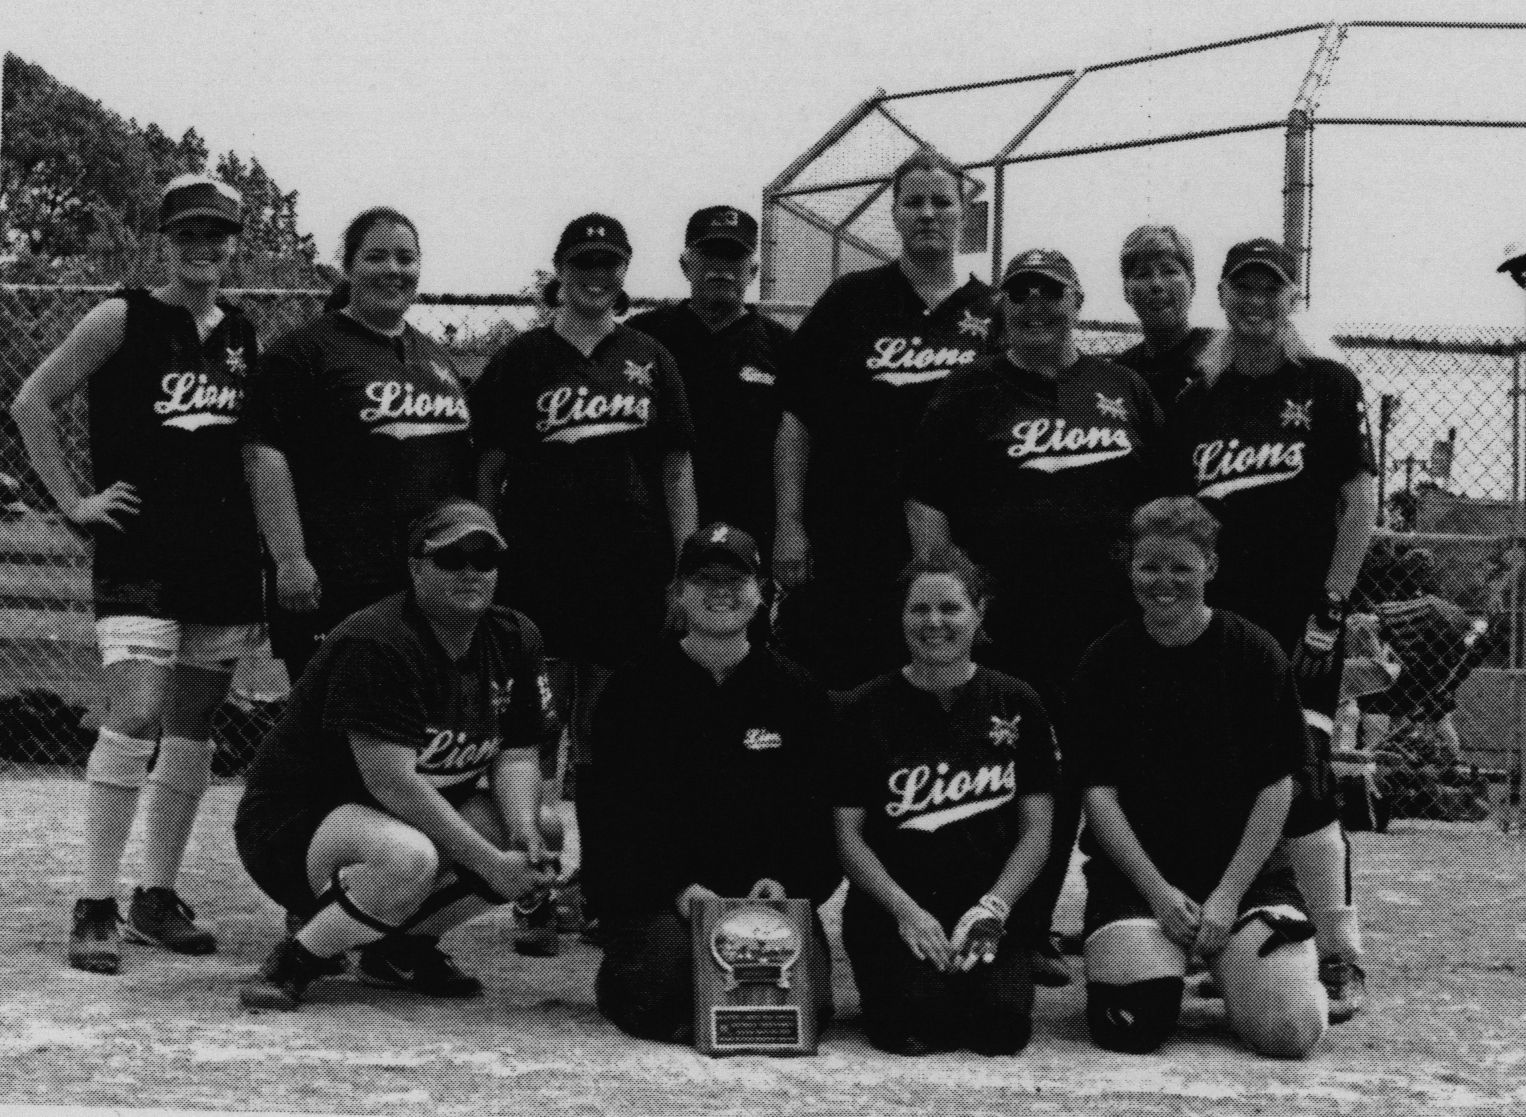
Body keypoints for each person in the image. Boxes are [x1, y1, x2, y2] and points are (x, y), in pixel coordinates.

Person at [11, 174, 263, 974]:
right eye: (189, 232)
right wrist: (72, 500)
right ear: (165, 239)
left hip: (221, 555)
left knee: (193, 725)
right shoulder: (122, 315)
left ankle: (156, 894)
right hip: (140, 552)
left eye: (217, 233)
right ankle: (95, 900)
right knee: (137, 710)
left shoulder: (242, 334)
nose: (203, 246)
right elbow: (32, 402)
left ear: (233, 243)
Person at [906, 247, 1163, 986]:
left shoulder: (1124, 388)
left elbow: (1166, 504)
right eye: (1021, 295)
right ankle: (1002, 921)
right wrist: (949, 604)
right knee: (1007, 776)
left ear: (1079, 299)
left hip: (1104, 628)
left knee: (1087, 772)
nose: (1036, 307)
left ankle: (1055, 923)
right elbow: (927, 500)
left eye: (1051, 293)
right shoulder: (970, 391)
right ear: (1003, 308)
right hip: (1004, 626)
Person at [1164, 238, 1379, 1022]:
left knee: (1308, 777)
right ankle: (1236, 942)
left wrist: (1333, 604)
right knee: (1227, 776)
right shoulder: (1201, 396)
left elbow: (1358, 503)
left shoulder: (1325, 384)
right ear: (1221, 294)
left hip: (1302, 624)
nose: (1256, 301)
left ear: (1293, 298)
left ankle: (1340, 951)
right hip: (1219, 623)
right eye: (1243, 288)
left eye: (1272, 288)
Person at [235, 500, 559, 1010]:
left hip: (395, 820)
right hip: (298, 828)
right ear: (415, 568)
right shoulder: (379, 641)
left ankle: (398, 950)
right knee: (409, 856)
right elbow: (393, 783)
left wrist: (520, 832)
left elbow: (516, 749)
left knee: (541, 831)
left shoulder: (515, 635)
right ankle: (297, 958)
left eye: (484, 560)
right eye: (451, 560)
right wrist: (488, 863)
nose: (470, 572)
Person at [471, 213, 698, 942]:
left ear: (626, 270)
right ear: (559, 270)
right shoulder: (523, 359)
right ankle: (535, 892)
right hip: (538, 575)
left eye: (610, 263)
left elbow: (676, 466)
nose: (596, 276)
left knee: (607, 739)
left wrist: (685, 566)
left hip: (628, 578)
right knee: (534, 740)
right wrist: (484, 553)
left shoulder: (649, 356)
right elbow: (490, 468)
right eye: (583, 262)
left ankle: (601, 888)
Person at [1073, 496, 1327, 1058]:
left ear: (1211, 567)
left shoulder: (1255, 653)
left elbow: (1277, 784)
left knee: (1292, 1033)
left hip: (1244, 878)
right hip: (1141, 881)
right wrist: (1160, 895)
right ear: (1130, 568)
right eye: (1149, 567)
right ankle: (1166, 963)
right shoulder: (1105, 661)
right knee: (1131, 1029)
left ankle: (1238, 965)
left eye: (1181, 567)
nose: (1164, 581)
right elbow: (1099, 794)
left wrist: (1227, 896)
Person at [588, 523, 838, 1042]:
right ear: (679, 593)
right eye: (704, 580)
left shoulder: (799, 691)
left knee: (803, 1007)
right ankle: (624, 971)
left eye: (736, 579)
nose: (720, 592)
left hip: (765, 899)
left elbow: (817, 815)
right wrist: (677, 889)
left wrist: (788, 885)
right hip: (661, 895)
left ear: (762, 592)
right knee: (673, 992)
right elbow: (612, 816)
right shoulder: (633, 689)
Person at [773, 148, 999, 690]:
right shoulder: (850, 300)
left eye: (941, 203)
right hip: (850, 530)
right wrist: (788, 524)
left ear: (964, 215)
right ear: (894, 213)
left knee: (944, 677)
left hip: (953, 537)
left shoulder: (992, 311)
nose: (927, 214)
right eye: (913, 202)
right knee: (845, 677)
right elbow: (796, 420)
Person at [833, 547, 1056, 1056]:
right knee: (915, 1027)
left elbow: (1038, 831)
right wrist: (904, 910)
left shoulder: (1017, 701)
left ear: (979, 612)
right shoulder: (863, 708)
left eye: (951, 608)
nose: (934, 622)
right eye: (920, 609)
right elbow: (847, 836)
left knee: (1000, 1031)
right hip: (896, 910)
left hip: (987, 907)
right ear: (901, 616)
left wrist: (994, 906)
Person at [243, 206, 472, 684]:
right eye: (376, 257)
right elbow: (263, 452)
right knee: (339, 731)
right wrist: (289, 558)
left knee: (414, 727)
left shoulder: (436, 357)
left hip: (424, 580)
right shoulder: (303, 351)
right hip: (336, 581)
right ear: (348, 267)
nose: (393, 269)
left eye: (406, 258)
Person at [625, 206, 789, 553]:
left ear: (754, 270)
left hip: (750, 530)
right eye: (709, 255)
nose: (723, 269)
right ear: (686, 265)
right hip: (652, 527)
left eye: (734, 257)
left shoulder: (783, 347)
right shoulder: (643, 338)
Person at [1112, 225, 1215, 408]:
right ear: (1126, 291)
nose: (1157, 284)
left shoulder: (1225, 355)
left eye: (1169, 271)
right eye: (1143, 274)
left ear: (1192, 283)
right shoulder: (1119, 375)